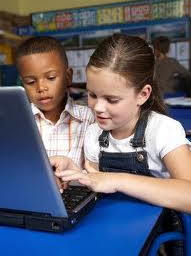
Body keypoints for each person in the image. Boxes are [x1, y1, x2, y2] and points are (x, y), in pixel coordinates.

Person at [51, 34, 191, 255]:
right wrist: (76, 173)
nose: (97, 107)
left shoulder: (163, 130)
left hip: (159, 244)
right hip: (112, 234)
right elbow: (98, 184)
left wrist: (116, 180)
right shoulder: (94, 134)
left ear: (143, 95)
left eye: (112, 99)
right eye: (92, 94)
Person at [16, 36, 94, 170]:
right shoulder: (18, 123)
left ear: (68, 77)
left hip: (77, 190)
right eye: (30, 82)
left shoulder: (90, 119)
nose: (41, 88)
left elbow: (98, 176)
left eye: (51, 78)